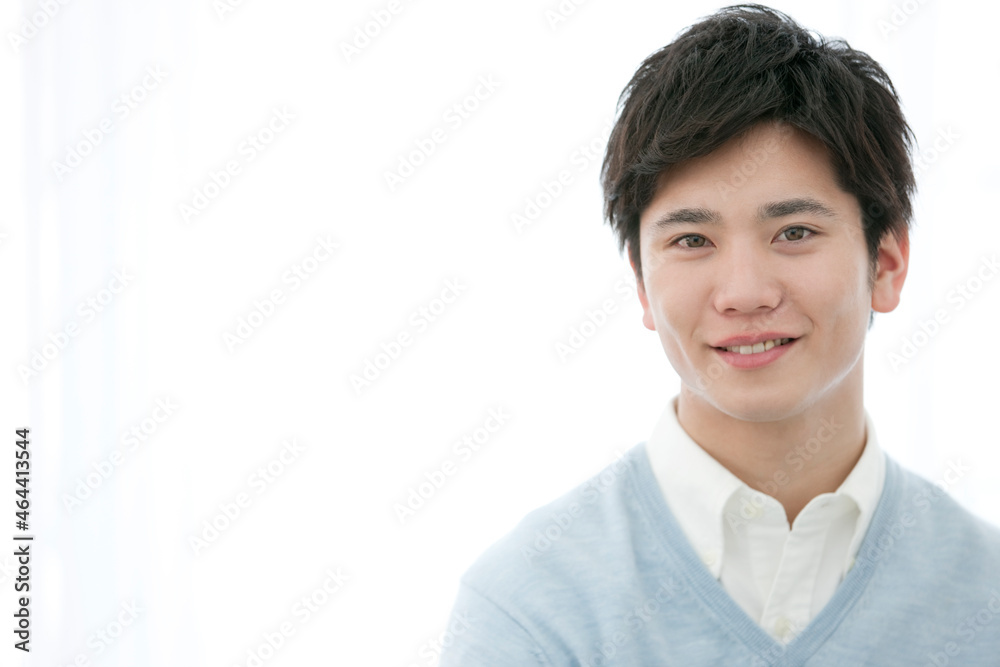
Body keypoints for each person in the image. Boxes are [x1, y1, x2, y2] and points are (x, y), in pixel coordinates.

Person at [439, 5, 1000, 665]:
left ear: (886, 262)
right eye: (692, 240)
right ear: (642, 283)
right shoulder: (530, 609)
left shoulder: (986, 596)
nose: (744, 292)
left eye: (794, 232)